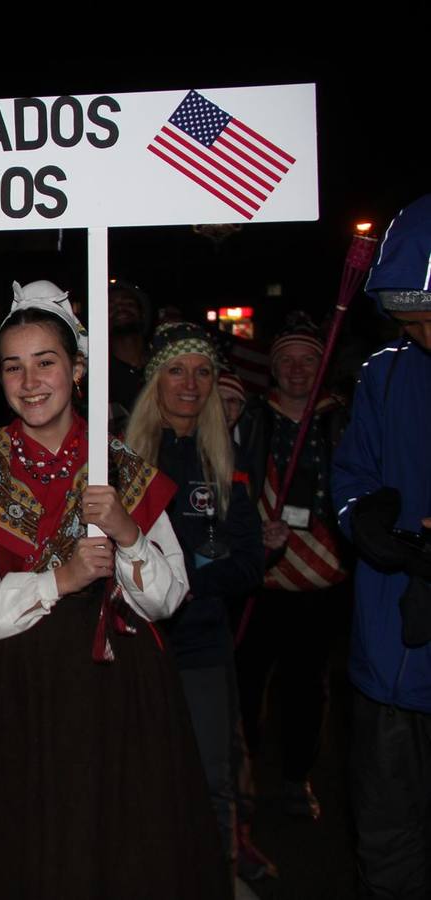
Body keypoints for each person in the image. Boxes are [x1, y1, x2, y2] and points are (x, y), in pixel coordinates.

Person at [0, 280, 227, 899]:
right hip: (11, 692)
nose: (30, 382)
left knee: (118, 845)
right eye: (13, 367)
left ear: (78, 369)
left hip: (117, 693)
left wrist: (128, 531)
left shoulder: (119, 464)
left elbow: (167, 598)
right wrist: (64, 578)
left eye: (46, 362)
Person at [125, 322, 264, 886]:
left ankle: (216, 879)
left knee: (212, 775)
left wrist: (179, 581)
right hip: (137, 643)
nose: (191, 383)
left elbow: (249, 562)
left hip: (203, 643)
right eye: (177, 370)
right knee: (141, 775)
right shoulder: (122, 457)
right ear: (156, 378)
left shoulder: (225, 460)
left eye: (203, 371)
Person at [332, 194, 431, 898]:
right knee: (389, 841)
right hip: (389, 662)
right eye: (407, 314)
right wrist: (360, 516)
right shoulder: (384, 372)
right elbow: (352, 476)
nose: (418, 328)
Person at [234, 314, 348, 821]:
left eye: (309, 360)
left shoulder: (343, 417)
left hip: (323, 574)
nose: (298, 371)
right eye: (288, 361)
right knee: (247, 679)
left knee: (307, 686)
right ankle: (243, 773)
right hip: (263, 571)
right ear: (273, 369)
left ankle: (297, 776)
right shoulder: (250, 417)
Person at [108, 282, 154, 431]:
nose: (120, 308)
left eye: (128, 303)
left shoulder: (165, 367)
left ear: (143, 313)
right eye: (111, 305)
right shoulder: (97, 376)